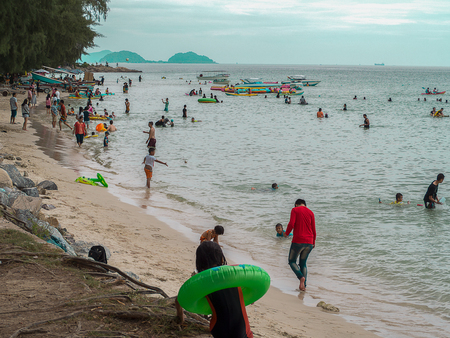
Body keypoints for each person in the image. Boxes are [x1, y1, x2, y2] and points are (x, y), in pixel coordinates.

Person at [175, 241, 254, 338]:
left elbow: (180, 299)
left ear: (199, 262)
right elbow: (251, 295)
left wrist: (181, 317)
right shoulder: (234, 275)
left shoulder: (201, 281)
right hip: (241, 328)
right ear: (221, 258)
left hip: (217, 328)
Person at [284, 199, 316, 291]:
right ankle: (304, 286)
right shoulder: (311, 213)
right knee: (303, 264)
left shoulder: (295, 210)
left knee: (292, 261)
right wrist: (314, 241)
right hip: (309, 241)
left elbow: (291, 223)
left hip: (298, 241)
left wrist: (286, 233)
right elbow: (314, 229)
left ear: (296, 204)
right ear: (305, 205)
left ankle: (301, 277)